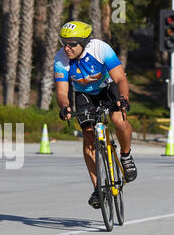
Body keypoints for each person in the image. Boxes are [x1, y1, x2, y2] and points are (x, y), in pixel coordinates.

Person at [53, 21, 137, 209]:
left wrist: (123, 98)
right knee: (89, 137)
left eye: (72, 43)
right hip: (84, 95)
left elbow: (120, 78)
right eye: (63, 42)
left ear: (84, 42)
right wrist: (65, 106)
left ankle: (126, 155)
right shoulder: (60, 59)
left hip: (108, 88)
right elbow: (61, 92)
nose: (67, 48)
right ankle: (98, 188)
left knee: (119, 121)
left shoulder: (101, 49)